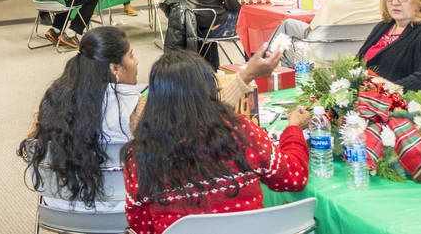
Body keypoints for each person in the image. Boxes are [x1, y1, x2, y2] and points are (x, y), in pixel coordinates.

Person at [19, 27, 297, 214]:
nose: (137, 62)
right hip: (115, 210)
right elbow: (197, 119)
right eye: (131, 55)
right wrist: (247, 75)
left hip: (59, 206)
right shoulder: (132, 110)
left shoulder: (52, 101)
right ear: (114, 68)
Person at [123, 49, 310, 234]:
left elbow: (141, 226)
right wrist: (293, 129)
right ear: (209, 87)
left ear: (155, 100)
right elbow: (294, 178)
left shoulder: (139, 156)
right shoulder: (242, 132)